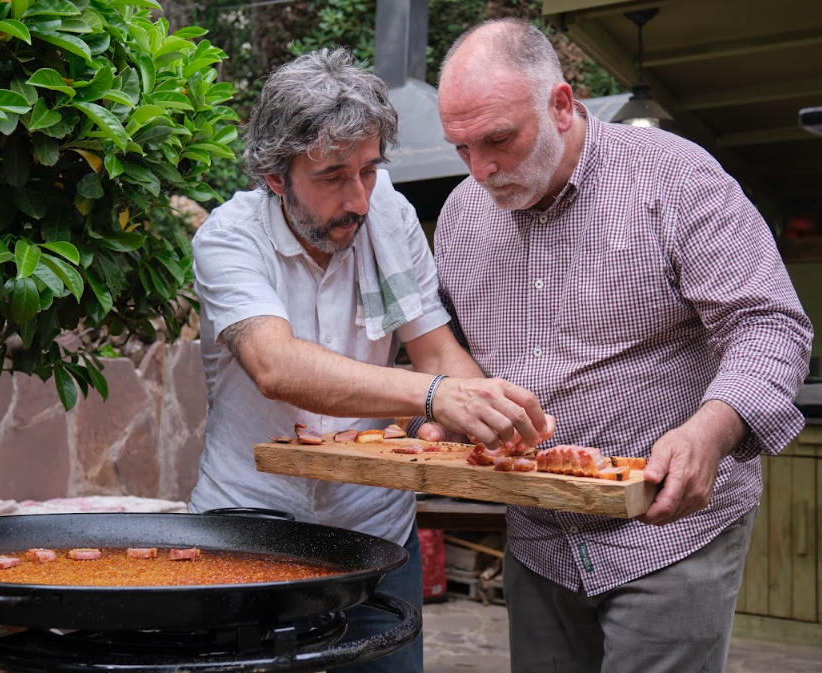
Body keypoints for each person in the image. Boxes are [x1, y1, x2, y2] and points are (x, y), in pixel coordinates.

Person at [424, 18, 814, 673]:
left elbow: (770, 325)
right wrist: (443, 416)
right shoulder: (461, 217)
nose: (480, 170)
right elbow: (458, 364)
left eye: (497, 140)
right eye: (460, 147)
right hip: (539, 535)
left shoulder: (675, 177)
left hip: (669, 532)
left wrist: (711, 431)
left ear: (561, 104)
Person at [189, 47, 552, 672]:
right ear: (276, 177)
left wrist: (496, 413)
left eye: (369, 169)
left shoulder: (389, 214)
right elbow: (277, 367)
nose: (358, 198)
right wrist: (434, 395)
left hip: (376, 536)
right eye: (332, 176)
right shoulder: (228, 238)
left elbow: (435, 348)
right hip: (251, 531)